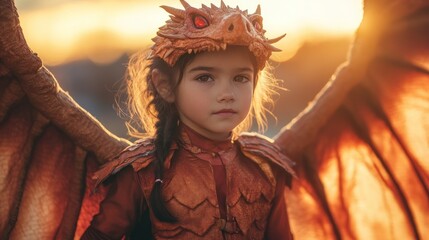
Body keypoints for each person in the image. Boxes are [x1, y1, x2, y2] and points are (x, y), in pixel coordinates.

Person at [81, 0, 296, 239]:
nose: (227, 94)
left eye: (240, 78)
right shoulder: (143, 171)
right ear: (166, 86)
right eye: (205, 78)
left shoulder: (265, 166)